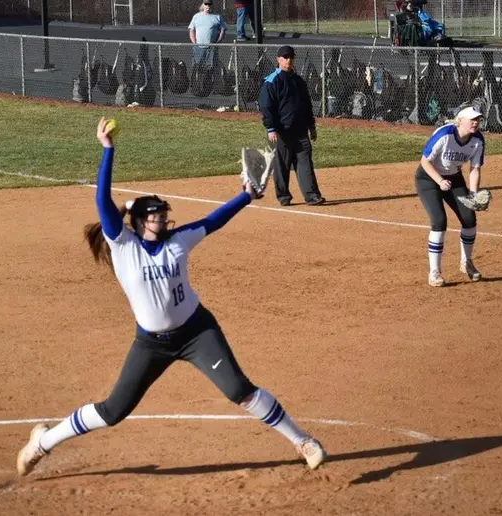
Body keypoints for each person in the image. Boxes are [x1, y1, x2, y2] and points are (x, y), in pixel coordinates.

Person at [16, 117, 328, 476]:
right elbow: (103, 200)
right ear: (138, 223)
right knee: (113, 410)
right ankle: (41, 442)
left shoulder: (179, 242)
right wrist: (107, 150)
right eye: (157, 217)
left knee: (239, 390)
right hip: (151, 344)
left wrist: (246, 196)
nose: (165, 221)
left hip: (196, 332)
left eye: (165, 216)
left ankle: (304, 442)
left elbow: (215, 219)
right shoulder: (123, 245)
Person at [415, 106, 486, 287]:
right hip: (428, 179)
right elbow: (425, 161)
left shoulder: (477, 140)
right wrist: (439, 180)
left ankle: (466, 262)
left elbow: (475, 168)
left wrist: (473, 194)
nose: (476, 123)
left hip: (454, 178)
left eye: (478, 119)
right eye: (472, 119)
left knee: (469, 218)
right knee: (439, 222)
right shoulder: (445, 134)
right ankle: (434, 272)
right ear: (460, 121)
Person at [259, 45, 325, 207]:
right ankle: (283, 196)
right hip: (282, 131)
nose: (288, 60)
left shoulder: (298, 80)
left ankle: (312, 196)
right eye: (285, 57)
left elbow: (307, 105)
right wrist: (271, 128)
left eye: (291, 57)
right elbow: (266, 106)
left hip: (300, 130)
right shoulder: (272, 81)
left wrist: (312, 126)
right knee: (282, 165)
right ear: (278, 60)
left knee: (305, 163)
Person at [188, 0, 227, 70]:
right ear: (203, 5)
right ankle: (197, 80)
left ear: (212, 5)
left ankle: (210, 80)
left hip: (212, 48)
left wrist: (217, 42)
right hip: (198, 48)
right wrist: (194, 42)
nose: (208, 6)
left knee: (211, 67)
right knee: (197, 67)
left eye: (209, 4)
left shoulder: (218, 17)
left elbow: (223, 30)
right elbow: (191, 30)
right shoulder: (196, 16)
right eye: (206, 4)